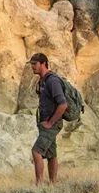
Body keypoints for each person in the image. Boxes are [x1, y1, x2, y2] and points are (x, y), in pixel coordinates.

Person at [29, 52, 69, 185]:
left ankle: (39, 185)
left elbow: (63, 104)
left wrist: (50, 122)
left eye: (35, 64)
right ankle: (53, 185)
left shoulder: (52, 81)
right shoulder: (43, 81)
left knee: (36, 151)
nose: (32, 67)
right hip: (46, 123)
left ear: (44, 64)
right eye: (31, 64)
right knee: (51, 155)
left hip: (52, 123)